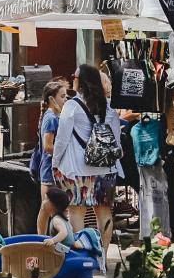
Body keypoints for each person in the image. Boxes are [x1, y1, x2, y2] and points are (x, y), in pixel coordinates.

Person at [52, 64, 123, 259]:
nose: (72, 78)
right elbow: (116, 139)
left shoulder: (72, 106)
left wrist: (55, 163)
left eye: (74, 76)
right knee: (104, 212)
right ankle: (103, 257)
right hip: (106, 168)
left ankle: (82, 257)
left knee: (77, 211)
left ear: (81, 81)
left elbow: (62, 139)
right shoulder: (108, 108)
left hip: (78, 168)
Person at [33, 80, 68, 236]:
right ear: (51, 99)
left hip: (57, 168)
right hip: (49, 170)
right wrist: (67, 153)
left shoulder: (57, 115)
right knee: (46, 207)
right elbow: (48, 146)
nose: (65, 99)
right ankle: (42, 239)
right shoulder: (51, 118)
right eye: (62, 96)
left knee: (56, 208)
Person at [41, 186, 82, 254]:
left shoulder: (56, 220)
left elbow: (64, 233)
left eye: (46, 199)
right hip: (65, 250)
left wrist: (52, 241)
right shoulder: (61, 219)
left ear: (53, 204)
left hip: (64, 253)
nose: (43, 202)